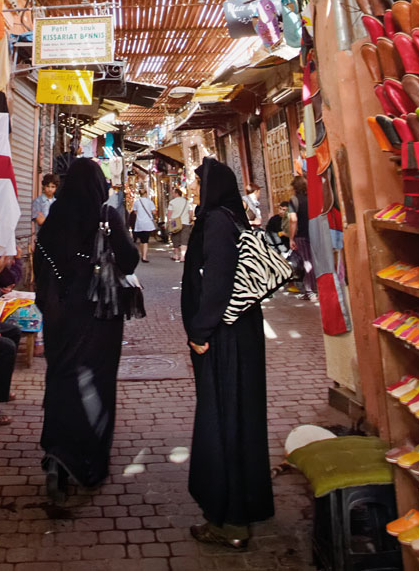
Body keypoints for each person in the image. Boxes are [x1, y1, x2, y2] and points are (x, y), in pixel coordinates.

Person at [181, 157, 274, 549]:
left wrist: (200, 330)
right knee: (240, 419)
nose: (196, 189)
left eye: (200, 183)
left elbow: (217, 281)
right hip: (241, 332)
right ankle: (243, 508)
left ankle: (229, 520)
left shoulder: (217, 221)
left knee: (223, 422)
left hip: (224, 337)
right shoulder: (232, 217)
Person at [34, 158, 139, 501]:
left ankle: (57, 455)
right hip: (98, 316)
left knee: (61, 379)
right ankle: (88, 460)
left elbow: (41, 269)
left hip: (59, 318)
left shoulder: (52, 222)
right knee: (94, 383)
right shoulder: (107, 216)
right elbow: (129, 260)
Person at [288, 176, 317, 301]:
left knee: (306, 261)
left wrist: (291, 238)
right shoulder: (312, 198)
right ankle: (313, 289)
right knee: (314, 260)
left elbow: (293, 220)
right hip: (315, 232)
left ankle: (310, 291)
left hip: (301, 234)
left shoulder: (294, 200)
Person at [166, 187, 193, 263]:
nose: (172, 194)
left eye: (173, 193)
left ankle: (176, 255)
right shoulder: (186, 202)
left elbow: (169, 213)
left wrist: (168, 222)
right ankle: (183, 257)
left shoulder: (172, 202)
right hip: (185, 222)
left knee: (175, 239)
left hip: (175, 223)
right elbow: (190, 212)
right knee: (184, 240)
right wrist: (190, 219)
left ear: (176, 193)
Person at [132, 188, 157, 263]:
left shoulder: (136, 202)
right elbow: (154, 212)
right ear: (146, 193)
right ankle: (144, 257)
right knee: (146, 240)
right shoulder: (150, 202)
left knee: (141, 241)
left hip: (139, 223)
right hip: (147, 223)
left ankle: (142, 254)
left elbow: (135, 212)